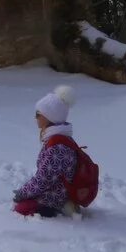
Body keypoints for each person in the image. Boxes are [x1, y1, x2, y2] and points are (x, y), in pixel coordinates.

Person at [13, 85, 78, 218]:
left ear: (50, 117)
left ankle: (60, 207)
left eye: (38, 114)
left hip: (56, 196)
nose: (35, 118)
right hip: (57, 190)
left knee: (21, 208)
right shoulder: (59, 139)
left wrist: (23, 193)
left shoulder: (57, 147)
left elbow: (43, 180)